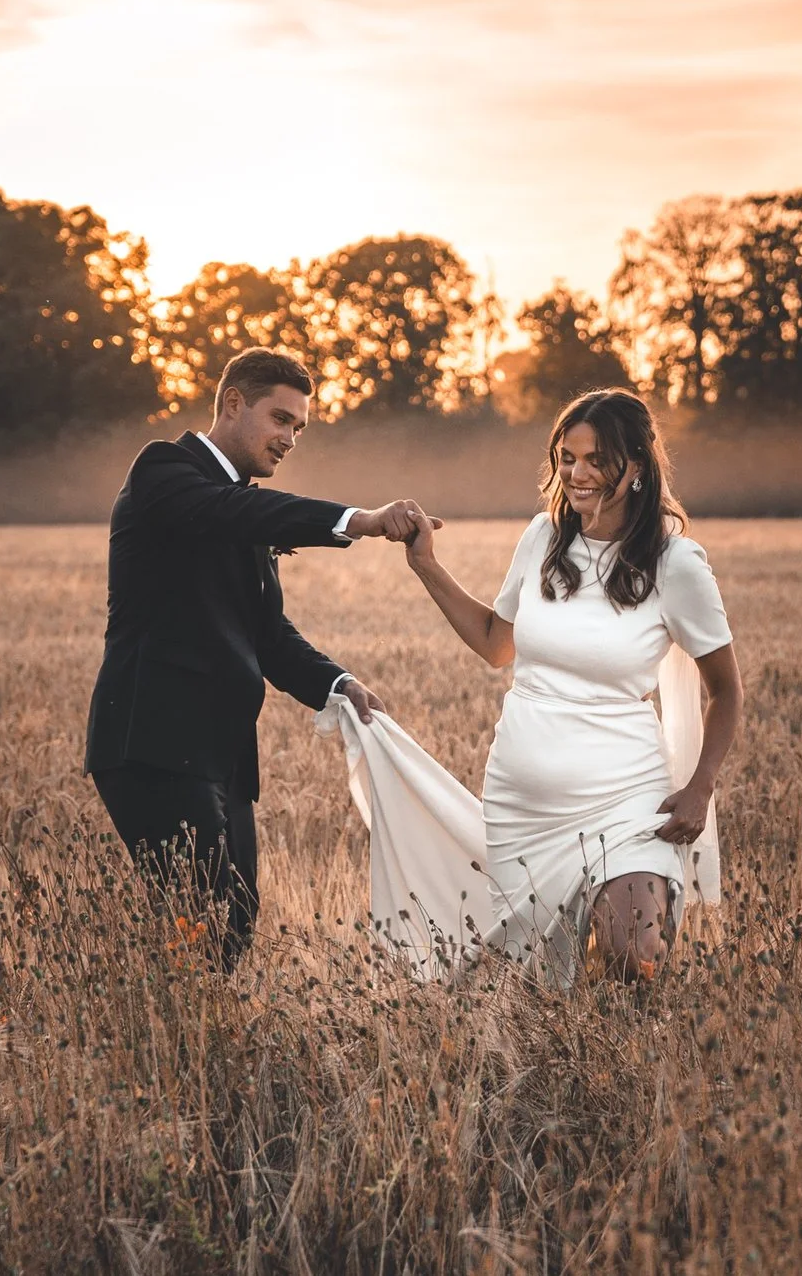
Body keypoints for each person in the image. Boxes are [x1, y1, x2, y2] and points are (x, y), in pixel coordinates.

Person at [85, 347, 430, 967]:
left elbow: (267, 636)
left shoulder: (239, 505)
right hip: (153, 744)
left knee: (234, 922)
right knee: (202, 922)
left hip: (221, 755)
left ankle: (192, 1046)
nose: (291, 438)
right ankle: (163, 1047)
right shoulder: (165, 471)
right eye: (280, 420)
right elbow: (233, 514)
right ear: (233, 403)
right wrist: (362, 521)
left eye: (299, 427)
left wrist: (339, 683)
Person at [389, 388, 743, 981]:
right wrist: (425, 563)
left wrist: (701, 786)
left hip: (626, 796)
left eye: (595, 459)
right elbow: (494, 642)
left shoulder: (676, 563)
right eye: (567, 457)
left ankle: (627, 1070)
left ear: (634, 466)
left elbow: (726, 690)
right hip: (522, 802)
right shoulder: (542, 538)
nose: (577, 474)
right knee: (523, 985)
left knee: (633, 954)